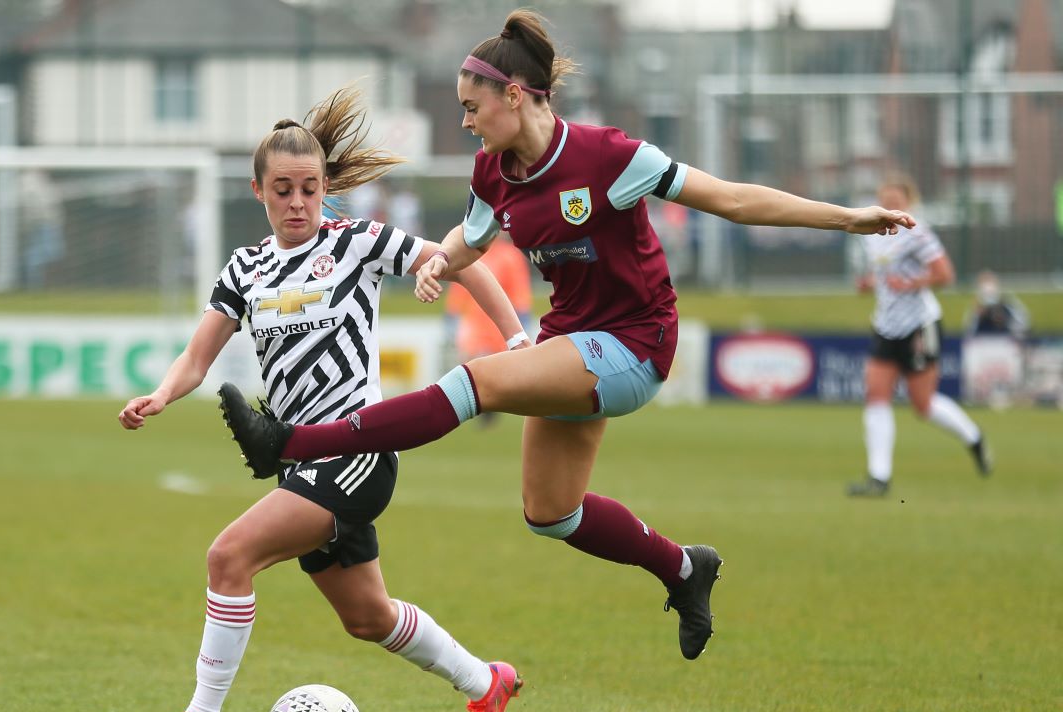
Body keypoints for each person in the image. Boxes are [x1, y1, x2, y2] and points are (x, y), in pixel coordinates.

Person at [217, 10, 919, 662]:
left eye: (471, 107)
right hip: (572, 340)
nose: (465, 122)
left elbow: (732, 199)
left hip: (637, 344)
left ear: (514, 95)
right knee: (550, 514)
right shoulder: (494, 168)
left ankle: (291, 443)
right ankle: (683, 567)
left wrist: (848, 218)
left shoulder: (610, 156)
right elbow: (473, 233)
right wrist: (442, 264)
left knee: (477, 381)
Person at [119, 86, 529, 712]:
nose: (298, 201)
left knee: (229, 557)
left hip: (357, 452)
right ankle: (486, 684)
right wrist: (162, 393)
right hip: (300, 463)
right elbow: (198, 357)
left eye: (310, 187)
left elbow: (465, 262)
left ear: (326, 188)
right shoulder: (244, 269)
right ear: (259, 191)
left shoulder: (358, 243)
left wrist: (517, 341)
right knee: (368, 617)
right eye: (283, 189)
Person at [848, 172, 991, 497]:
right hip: (886, 323)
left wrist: (912, 284)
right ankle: (879, 478)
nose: (890, 205)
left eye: (896, 201)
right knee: (876, 394)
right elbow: (881, 273)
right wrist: (870, 284)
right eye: (886, 199)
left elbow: (945, 274)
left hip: (919, 325)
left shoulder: (917, 232)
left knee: (922, 405)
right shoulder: (872, 233)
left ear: (908, 202)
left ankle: (974, 437)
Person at [445, 233, 533, 425]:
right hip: (474, 325)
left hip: (498, 326)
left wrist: (522, 321)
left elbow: (519, 292)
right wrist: (452, 315)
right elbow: (459, 288)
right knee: (474, 369)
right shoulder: (471, 253)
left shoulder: (510, 256)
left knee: (493, 371)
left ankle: (489, 410)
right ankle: (481, 409)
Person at [965, 270, 1030, 340]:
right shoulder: (977, 310)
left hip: (1006, 341)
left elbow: (1024, 324)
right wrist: (978, 316)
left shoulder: (1008, 303)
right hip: (984, 343)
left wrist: (1005, 319)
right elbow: (969, 333)